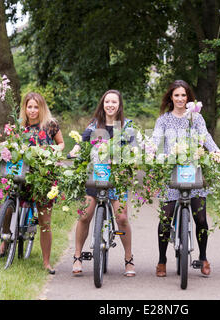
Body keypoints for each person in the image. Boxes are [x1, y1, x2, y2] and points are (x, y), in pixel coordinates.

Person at [152, 80, 220, 277]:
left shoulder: (196, 118)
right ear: (171, 97)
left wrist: (215, 150)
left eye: (184, 95)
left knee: (200, 218)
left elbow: (205, 136)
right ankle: (162, 260)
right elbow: (156, 138)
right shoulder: (163, 120)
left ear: (189, 98)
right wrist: (150, 151)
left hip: (194, 171)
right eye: (177, 95)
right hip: (171, 172)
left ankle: (203, 256)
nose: (181, 99)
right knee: (165, 218)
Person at [68, 89, 136, 277]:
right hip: (96, 176)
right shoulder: (94, 125)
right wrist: (75, 151)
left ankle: (128, 258)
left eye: (114, 102)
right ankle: (77, 256)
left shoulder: (127, 126)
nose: (110, 105)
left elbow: (134, 149)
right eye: (107, 102)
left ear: (119, 105)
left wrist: (129, 159)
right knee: (84, 216)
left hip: (117, 178)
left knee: (121, 218)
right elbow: (81, 142)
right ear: (103, 104)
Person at [20, 92, 64, 274]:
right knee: (7, 206)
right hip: (23, 174)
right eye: (29, 107)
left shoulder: (50, 125)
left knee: (45, 221)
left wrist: (51, 149)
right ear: (25, 108)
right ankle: (5, 241)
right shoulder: (19, 126)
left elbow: (61, 144)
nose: (32, 110)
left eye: (36, 107)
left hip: (44, 175)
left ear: (42, 108)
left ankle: (46, 262)